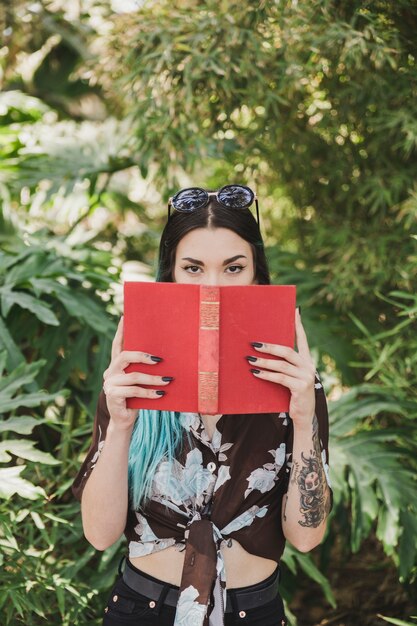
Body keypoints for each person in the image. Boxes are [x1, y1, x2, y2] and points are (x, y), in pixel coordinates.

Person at [72, 184, 333, 626]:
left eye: (234, 268)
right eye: (193, 268)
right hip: (142, 608)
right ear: (170, 275)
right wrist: (120, 424)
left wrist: (303, 415)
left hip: (252, 610)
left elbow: (307, 538)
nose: (213, 286)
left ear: (257, 275)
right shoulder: (136, 377)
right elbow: (99, 535)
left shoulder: (296, 385)